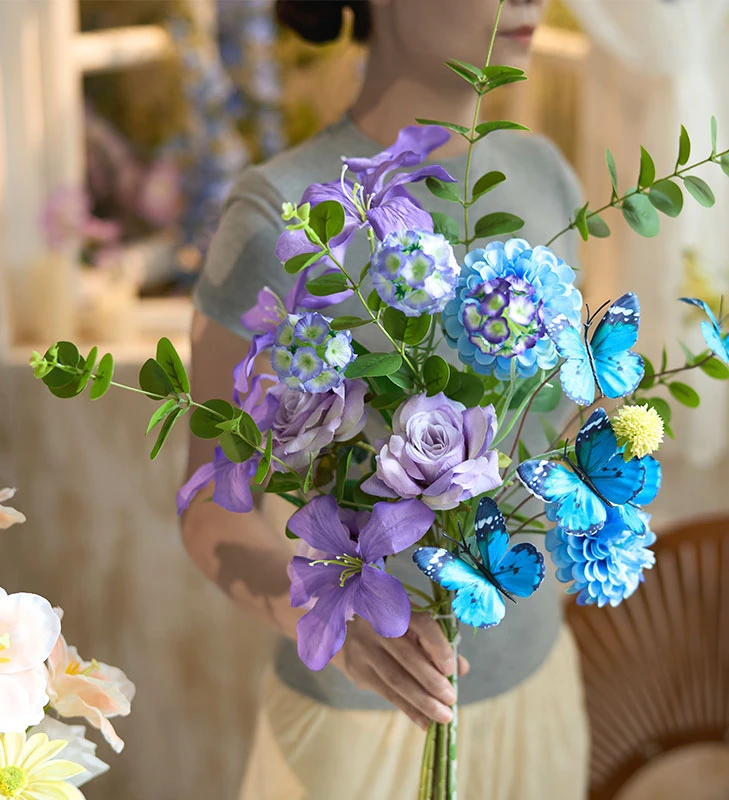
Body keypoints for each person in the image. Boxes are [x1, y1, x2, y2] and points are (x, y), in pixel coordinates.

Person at [182, 0, 590, 797]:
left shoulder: (547, 178)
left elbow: (561, 422)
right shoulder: (278, 211)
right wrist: (328, 622)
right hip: (363, 728)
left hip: (541, 691)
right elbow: (206, 498)